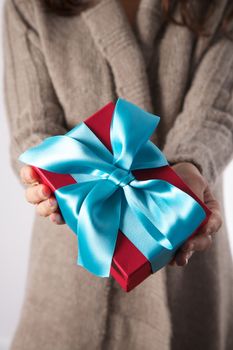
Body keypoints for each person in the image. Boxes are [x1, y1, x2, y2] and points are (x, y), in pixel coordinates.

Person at [3, 0, 233, 349]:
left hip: (182, 233)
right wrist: (45, 175)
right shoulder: (26, 5)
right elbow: (33, 123)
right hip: (71, 265)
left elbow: (215, 114)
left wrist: (190, 165)